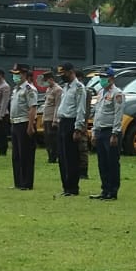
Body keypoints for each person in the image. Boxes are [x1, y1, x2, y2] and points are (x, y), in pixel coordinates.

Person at [91, 67, 125, 200]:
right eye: (100, 77)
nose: (102, 80)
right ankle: (104, 190)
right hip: (100, 130)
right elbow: (97, 113)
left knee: (112, 163)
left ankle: (113, 191)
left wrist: (115, 133)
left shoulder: (117, 94)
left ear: (111, 78)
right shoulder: (101, 92)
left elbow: (118, 114)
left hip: (110, 132)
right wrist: (94, 131)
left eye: (104, 77)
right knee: (102, 163)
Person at [55, 63, 88, 196]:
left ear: (71, 72)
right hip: (63, 122)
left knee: (71, 157)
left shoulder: (79, 88)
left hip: (72, 123)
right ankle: (65, 187)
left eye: (64, 73)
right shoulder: (66, 87)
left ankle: (73, 187)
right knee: (62, 157)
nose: (62, 76)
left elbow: (81, 109)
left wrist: (78, 128)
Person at [9, 63, 38, 189]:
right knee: (16, 155)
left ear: (24, 74)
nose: (15, 77)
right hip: (15, 123)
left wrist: (30, 126)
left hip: (24, 122)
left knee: (26, 155)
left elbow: (32, 108)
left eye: (17, 74)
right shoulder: (15, 89)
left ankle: (26, 183)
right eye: (14, 74)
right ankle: (18, 182)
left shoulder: (29, 89)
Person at [41, 72, 64, 165]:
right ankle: (50, 156)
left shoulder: (58, 90)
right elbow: (46, 104)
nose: (45, 82)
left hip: (52, 119)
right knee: (47, 139)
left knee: (53, 139)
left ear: (51, 79)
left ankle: (54, 157)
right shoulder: (48, 89)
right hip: (46, 118)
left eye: (46, 80)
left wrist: (55, 120)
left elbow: (58, 105)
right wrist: (43, 118)